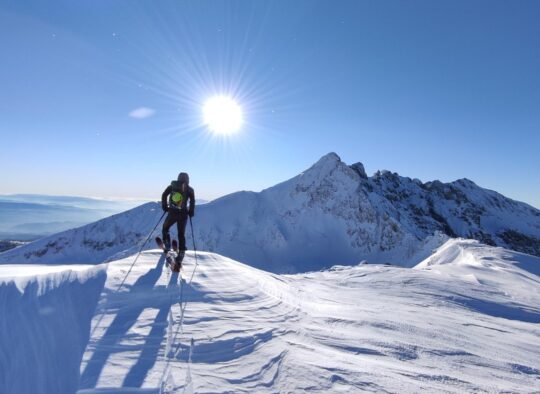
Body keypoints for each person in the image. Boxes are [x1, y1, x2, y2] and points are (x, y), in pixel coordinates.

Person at [161, 172, 195, 262]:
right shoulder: (190, 189)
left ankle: (167, 244)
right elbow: (192, 202)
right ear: (188, 179)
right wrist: (191, 212)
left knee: (165, 228)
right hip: (183, 215)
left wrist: (165, 206)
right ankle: (181, 253)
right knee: (181, 234)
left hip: (172, 213)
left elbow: (164, 194)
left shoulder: (172, 186)